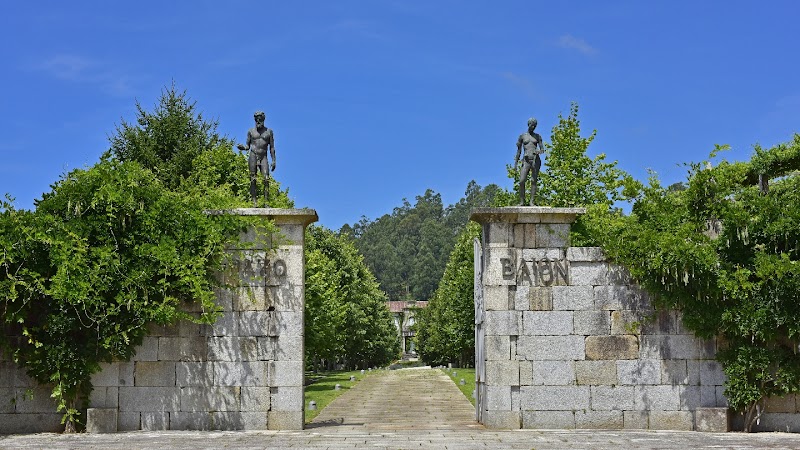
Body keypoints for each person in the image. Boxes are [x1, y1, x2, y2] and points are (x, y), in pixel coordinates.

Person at [237, 111, 276, 207]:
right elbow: (247, 146)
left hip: (263, 157)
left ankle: (266, 202)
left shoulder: (269, 132)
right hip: (253, 155)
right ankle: (254, 202)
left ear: (263, 119)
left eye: (260, 119)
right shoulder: (251, 131)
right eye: (256, 119)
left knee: (266, 179)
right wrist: (243, 147)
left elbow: (272, 147)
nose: (258, 121)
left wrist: (274, 160)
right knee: (253, 178)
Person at [514, 118, 544, 206]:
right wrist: (515, 163)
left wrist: (539, 151)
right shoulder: (522, 136)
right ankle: (522, 201)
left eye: (535, 126)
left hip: (535, 160)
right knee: (521, 181)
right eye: (532, 125)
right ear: (528, 124)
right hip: (526, 160)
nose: (533, 127)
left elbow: (542, 149)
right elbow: (519, 151)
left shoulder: (538, 136)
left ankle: (532, 202)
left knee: (533, 181)